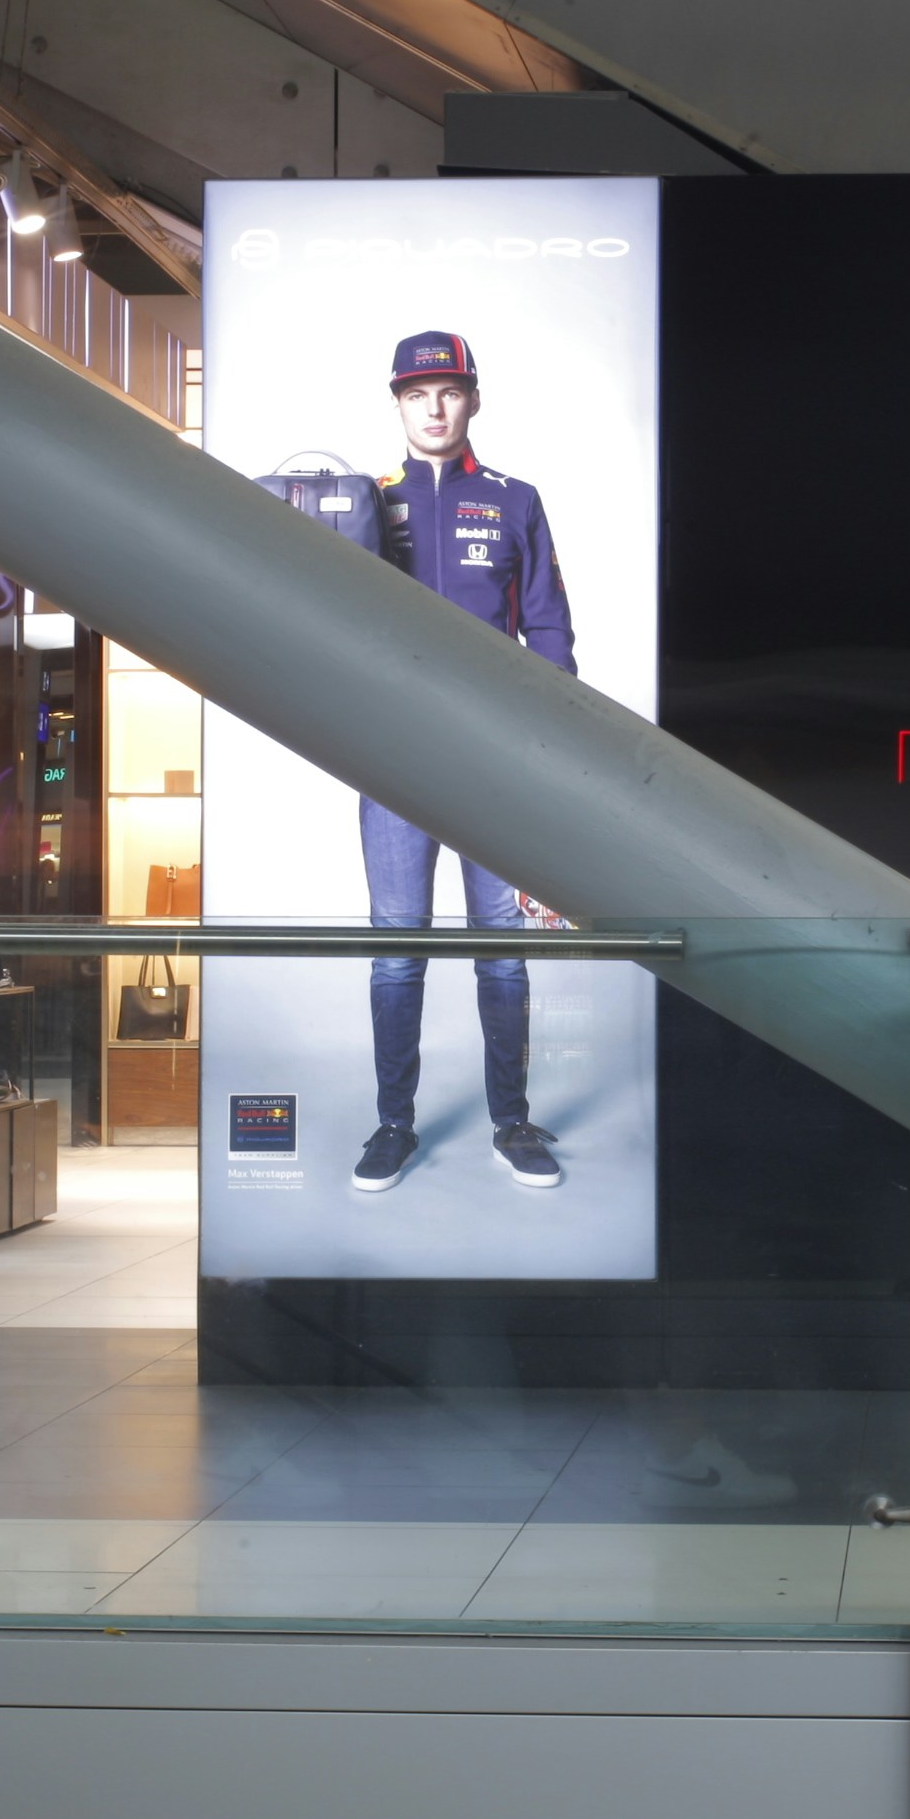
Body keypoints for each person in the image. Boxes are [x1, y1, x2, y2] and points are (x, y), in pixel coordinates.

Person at [354, 330, 575, 1195]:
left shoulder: (515, 500)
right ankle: (393, 1126)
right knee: (396, 951)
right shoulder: (366, 500)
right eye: (417, 394)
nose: (435, 408)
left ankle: (511, 1122)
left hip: (494, 764)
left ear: (473, 398)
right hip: (395, 760)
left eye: (449, 391)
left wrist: (550, 745)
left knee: (503, 952)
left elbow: (548, 626)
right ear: (398, 404)